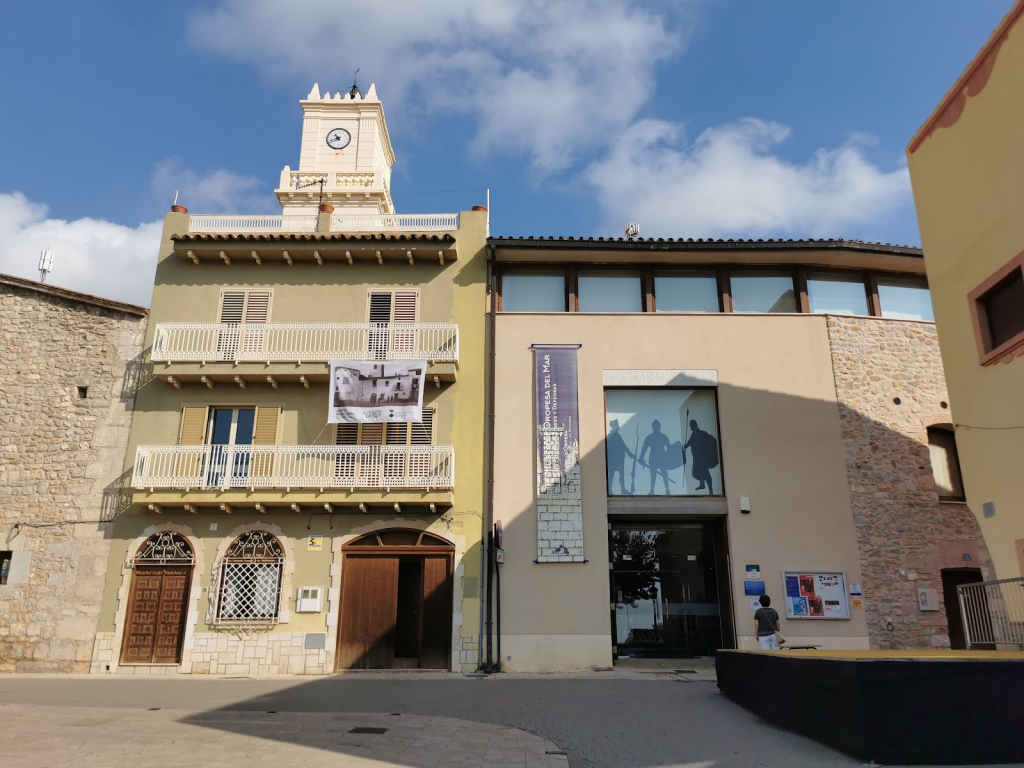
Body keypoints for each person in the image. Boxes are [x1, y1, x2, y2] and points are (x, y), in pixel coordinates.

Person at [683, 419, 719, 494]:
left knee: (706, 474)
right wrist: (686, 446)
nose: (691, 427)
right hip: (696, 457)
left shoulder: (702, 433)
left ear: (694, 425)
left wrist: (686, 446)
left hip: (702, 458)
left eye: (691, 426)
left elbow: (709, 441)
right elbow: (690, 442)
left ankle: (711, 491)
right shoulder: (694, 434)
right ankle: (702, 485)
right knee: (698, 472)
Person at [638, 420, 672, 495]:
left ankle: (667, 490)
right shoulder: (649, 437)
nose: (657, 427)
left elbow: (669, 448)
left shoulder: (663, 437)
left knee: (664, 473)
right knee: (653, 474)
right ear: (653, 427)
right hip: (653, 458)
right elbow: (644, 448)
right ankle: (652, 490)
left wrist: (674, 456)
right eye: (655, 426)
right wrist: (641, 457)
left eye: (658, 426)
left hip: (662, 458)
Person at [605, 420, 636, 495]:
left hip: (619, 459)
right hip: (613, 459)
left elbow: (624, 446)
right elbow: (607, 448)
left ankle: (623, 488)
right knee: (611, 475)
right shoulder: (610, 436)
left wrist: (631, 455)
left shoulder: (618, 436)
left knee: (621, 475)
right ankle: (610, 489)